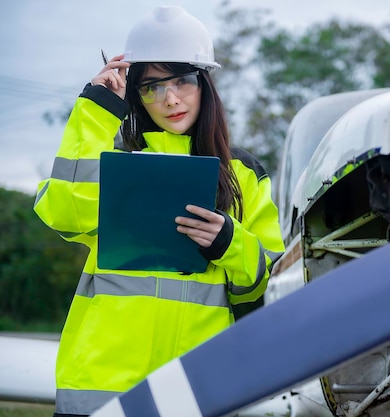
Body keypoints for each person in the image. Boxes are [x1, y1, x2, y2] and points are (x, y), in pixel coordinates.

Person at [33, 5, 284, 416]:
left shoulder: (244, 174)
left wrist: (229, 243)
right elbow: (64, 211)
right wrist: (94, 111)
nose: (170, 99)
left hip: (197, 387)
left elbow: (268, 283)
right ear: (137, 95)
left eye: (182, 81)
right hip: (100, 386)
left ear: (204, 84)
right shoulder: (111, 163)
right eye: (151, 87)